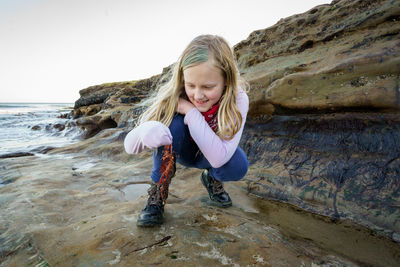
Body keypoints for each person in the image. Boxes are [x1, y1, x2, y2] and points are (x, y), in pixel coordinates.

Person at [124, 34, 249, 227]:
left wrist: (190, 110)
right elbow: (130, 146)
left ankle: (212, 179)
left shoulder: (238, 99)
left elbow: (218, 158)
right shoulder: (175, 95)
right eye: (191, 85)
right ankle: (158, 193)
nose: (197, 95)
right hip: (182, 151)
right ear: (183, 79)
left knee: (238, 165)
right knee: (171, 125)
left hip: (212, 155)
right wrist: (146, 131)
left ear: (226, 80)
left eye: (208, 87)